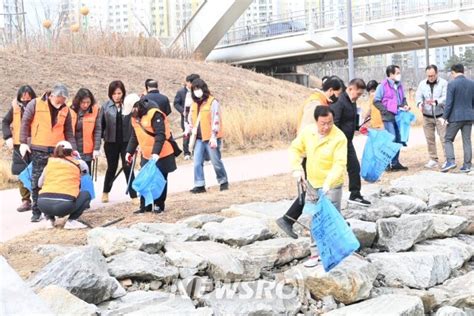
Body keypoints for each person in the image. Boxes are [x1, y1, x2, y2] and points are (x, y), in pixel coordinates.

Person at [276, 76, 344, 239]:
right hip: (311, 153)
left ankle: (290, 219)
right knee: (313, 190)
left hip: (313, 153)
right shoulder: (316, 104)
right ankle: (289, 220)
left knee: (313, 190)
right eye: (337, 94)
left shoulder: (319, 101)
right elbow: (308, 132)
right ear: (330, 91)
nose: (337, 98)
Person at [289, 105, 347, 267]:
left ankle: (332, 252)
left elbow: (340, 163)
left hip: (331, 185)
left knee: (330, 219)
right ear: (316, 121)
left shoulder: (339, 137)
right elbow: (295, 149)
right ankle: (315, 254)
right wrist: (297, 168)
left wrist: (329, 182)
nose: (326, 127)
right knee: (314, 218)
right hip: (313, 184)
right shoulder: (308, 132)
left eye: (330, 123)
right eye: (323, 123)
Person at [19, 84, 77, 222]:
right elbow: (25, 123)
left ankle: (49, 212)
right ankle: (36, 211)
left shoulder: (66, 110)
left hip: (57, 151)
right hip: (39, 148)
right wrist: (23, 142)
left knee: (52, 181)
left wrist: (73, 150)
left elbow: (69, 132)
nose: (61, 103)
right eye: (59, 100)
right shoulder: (35, 104)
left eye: (63, 101)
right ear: (52, 96)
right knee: (36, 181)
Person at [126, 96, 177, 213]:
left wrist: (155, 153)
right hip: (146, 154)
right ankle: (145, 206)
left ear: (137, 106)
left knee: (160, 179)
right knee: (145, 179)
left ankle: (159, 204)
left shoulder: (155, 114)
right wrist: (129, 151)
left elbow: (160, 135)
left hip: (162, 153)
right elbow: (135, 136)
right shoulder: (134, 118)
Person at [331, 78, 371, 206]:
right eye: (357, 94)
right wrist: (338, 141)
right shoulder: (340, 102)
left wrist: (359, 127)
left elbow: (350, 120)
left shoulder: (352, 101)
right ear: (350, 88)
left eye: (360, 95)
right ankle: (350, 194)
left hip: (347, 140)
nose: (358, 97)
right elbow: (335, 123)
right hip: (339, 142)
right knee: (350, 167)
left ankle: (355, 194)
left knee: (354, 167)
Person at [188, 78, 229, 193]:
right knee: (197, 162)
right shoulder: (194, 104)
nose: (196, 91)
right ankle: (199, 184)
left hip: (211, 137)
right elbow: (191, 118)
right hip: (199, 138)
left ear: (203, 88)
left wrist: (214, 136)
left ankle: (223, 181)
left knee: (216, 161)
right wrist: (189, 129)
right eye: (194, 89)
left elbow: (216, 119)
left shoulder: (212, 102)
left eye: (198, 88)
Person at [38, 141, 90, 229]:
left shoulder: (49, 164)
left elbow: (39, 184)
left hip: (43, 205)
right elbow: (86, 172)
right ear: (72, 152)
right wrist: (78, 158)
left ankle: (49, 220)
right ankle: (71, 221)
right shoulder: (78, 163)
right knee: (86, 195)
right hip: (64, 206)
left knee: (46, 191)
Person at [100, 80, 138, 204]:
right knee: (112, 167)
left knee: (128, 167)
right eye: (114, 94)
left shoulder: (128, 105)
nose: (117, 96)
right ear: (110, 94)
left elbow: (134, 124)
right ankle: (105, 191)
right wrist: (100, 141)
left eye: (119, 93)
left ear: (123, 93)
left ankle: (134, 195)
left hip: (126, 142)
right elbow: (101, 125)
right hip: (111, 142)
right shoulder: (105, 107)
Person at [2, 85, 37, 212]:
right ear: (19, 97)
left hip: (35, 144)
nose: (26, 101)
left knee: (36, 172)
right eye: (23, 98)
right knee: (22, 173)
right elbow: (5, 122)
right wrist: (8, 137)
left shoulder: (39, 107)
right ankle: (26, 200)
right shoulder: (15, 107)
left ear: (33, 97)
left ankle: (38, 200)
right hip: (18, 144)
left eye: (28, 98)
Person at [373, 65, 410, 171]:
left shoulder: (399, 85)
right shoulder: (382, 86)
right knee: (392, 138)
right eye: (397, 73)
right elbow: (376, 101)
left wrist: (405, 105)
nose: (399, 74)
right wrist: (385, 111)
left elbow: (403, 98)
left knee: (399, 139)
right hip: (388, 116)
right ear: (391, 74)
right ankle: (386, 163)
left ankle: (395, 162)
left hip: (399, 116)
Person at [440, 63, 474, 173]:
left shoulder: (452, 84)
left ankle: (450, 161)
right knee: (467, 141)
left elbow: (449, 103)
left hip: (455, 117)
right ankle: (467, 165)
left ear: (453, 72)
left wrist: (444, 117)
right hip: (469, 117)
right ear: (463, 71)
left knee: (448, 139)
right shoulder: (472, 83)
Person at [415, 65, 448, 169]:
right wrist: (420, 104)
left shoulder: (444, 83)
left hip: (440, 116)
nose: (431, 78)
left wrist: (437, 102)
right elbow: (418, 96)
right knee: (430, 139)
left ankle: (448, 159)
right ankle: (433, 159)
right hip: (427, 116)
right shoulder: (422, 84)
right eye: (429, 76)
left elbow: (446, 97)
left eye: (432, 75)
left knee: (444, 138)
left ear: (437, 73)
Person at [70, 88, 101, 172]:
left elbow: (97, 130)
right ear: (78, 101)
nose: (86, 105)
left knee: (86, 174)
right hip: (73, 149)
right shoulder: (70, 109)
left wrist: (96, 148)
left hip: (88, 150)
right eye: (83, 102)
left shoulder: (95, 110)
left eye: (88, 102)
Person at [174, 74, 200, 160]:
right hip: (185, 118)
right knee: (186, 134)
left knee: (197, 134)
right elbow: (176, 103)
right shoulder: (181, 92)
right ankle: (186, 153)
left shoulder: (198, 91)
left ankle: (195, 152)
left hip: (196, 117)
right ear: (188, 83)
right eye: (191, 83)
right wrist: (182, 111)